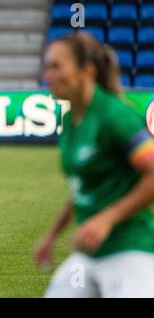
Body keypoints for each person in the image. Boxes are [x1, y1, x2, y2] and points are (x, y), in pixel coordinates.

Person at [35, 32, 154, 297]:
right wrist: (52, 235)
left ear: (86, 71)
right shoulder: (71, 121)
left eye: (56, 66)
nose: (47, 76)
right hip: (90, 255)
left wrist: (106, 219)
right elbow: (82, 186)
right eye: (46, 66)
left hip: (131, 253)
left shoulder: (115, 116)